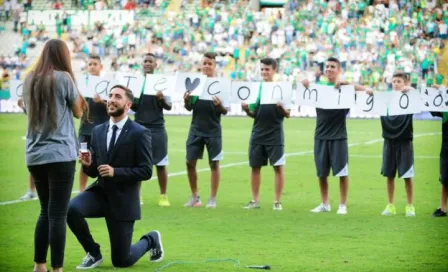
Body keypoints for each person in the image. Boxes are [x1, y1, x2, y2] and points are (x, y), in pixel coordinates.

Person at [67, 85, 164, 269]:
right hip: (101, 194)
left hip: (124, 201)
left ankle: (151, 239)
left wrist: (116, 172)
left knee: (121, 261)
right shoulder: (98, 131)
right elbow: (96, 170)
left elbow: (146, 171)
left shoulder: (140, 133)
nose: (111, 99)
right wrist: (88, 165)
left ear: (128, 105)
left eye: (117, 97)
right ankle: (93, 253)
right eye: (110, 95)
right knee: (71, 209)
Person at [22, 39, 87, 272]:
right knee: (57, 213)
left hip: (35, 154)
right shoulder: (64, 78)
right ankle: (57, 268)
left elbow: (26, 109)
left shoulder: (29, 79)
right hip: (60, 153)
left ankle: (39, 265)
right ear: (63, 56)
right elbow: (79, 112)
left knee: (44, 210)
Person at [302, 57, 368, 215]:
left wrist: (348, 84)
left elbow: (367, 91)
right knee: (321, 173)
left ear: (339, 70)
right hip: (320, 135)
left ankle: (342, 205)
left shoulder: (345, 88)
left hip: (338, 136)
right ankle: (325, 204)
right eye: (327, 66)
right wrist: (305, 85)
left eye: (333, 67)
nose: (329, 69)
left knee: (342, 172)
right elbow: (304, 93)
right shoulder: (318, 87)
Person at [241, 57, 291, 211]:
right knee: (255, 167)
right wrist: (247, 110)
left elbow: (288, 114)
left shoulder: (281, 88)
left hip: (275, 133)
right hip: (258, 132)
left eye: (267, 69)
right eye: (262, 69)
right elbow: (254, 114)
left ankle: (277, 201)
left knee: (278, 167)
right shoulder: (257, 89)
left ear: (274, 71)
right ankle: (255, 201)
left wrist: (281, 107)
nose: (264, 72)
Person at [183, 52, 228, 208]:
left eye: (210, 64)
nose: (207, 66)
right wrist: (186, 100)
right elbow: (189, 108)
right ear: (201, 66)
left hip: (213, 130)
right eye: (205, 63)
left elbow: (225, 110)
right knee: (189, 162)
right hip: (195, 128)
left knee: (214, 164)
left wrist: (220, 105)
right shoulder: (195, 84)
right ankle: (195, 196)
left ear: (215, 66)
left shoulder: (220, 85)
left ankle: (212, 198)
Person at [132, 53, 172, 206]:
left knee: (161, 163)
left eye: (150, 61)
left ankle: (163, 196)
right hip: (139, 127)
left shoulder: (162, 83)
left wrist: (161, 98)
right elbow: (134, 107)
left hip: (157, 128)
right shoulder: (137, 83)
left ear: (156, 65)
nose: (147, 63)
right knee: (138, 164)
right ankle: (137, 196)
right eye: (145, 61)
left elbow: (169, 106)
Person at [378, 72, 416, 217]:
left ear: (405, 83)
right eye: (393, 81)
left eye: (398, 81)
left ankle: (410, 206)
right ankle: (390, 205)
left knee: (407, 175)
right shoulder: (387, 99)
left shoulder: (411, 98)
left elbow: (422, 97)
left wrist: (410, 89)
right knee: (389, 175)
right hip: (389, 141)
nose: (395, 84)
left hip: (405, 141)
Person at [78, 54, 109, 192]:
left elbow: (113, 110)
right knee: (83, 161)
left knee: (104, 161)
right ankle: (81, 191)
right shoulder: (81, 85)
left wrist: (101, 101)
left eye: (95, 64)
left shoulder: (107, 85)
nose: (92, 66)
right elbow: (77, 110)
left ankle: (104, 189)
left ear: (101, 67)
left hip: (102, 131)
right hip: (85, 130)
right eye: (89, 64)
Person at [430, 84, 448, 217]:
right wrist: (436, 92)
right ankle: (442, 209)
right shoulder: (445, 109)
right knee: (445, 179)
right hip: (446, 149)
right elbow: (432, 108)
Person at [17, 98, 37, 200]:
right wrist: (23, 107)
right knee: (34, 164)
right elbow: (34, 114)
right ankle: (31, 191)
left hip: (49, 136)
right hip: (34, 135)